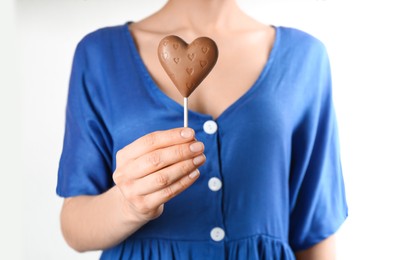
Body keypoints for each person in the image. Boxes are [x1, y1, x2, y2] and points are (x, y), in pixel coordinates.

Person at [57, 0, 348, 259]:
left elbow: (314, 229)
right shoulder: (99, 54)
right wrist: (127, 205)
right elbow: (74, 226)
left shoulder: (305, 57)